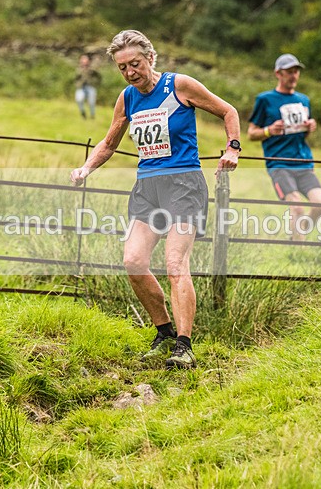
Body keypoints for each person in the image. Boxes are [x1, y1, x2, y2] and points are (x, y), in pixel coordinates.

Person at [70, 30, 241, 369]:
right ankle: (163, 333)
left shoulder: (179, 85)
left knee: (176, 263)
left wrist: (233, 148)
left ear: (150, 58)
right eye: (122, 68)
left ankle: (184, 345)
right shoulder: (127, 98)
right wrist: (85, 168)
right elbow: (108, 143)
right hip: (148, 187)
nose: (130, 72)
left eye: (135, 64)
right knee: (133, 262)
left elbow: (228, 111)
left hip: (184, 184)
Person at [247, 53, 321, 240]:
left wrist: (310, 127)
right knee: (296, 207)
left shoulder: (303, 100)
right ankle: (298, 250)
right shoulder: (265, 99)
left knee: (319, 205)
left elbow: (301, 132)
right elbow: (251, 133)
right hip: (279, 164)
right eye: (289, 71)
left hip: (303, 161)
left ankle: (298, 232)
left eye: (296, 71)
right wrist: (269, 130)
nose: (294, 75)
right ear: (278, 73)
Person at [74, 54, 101, 119]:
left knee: (91, 102)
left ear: (88, 61)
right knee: (79, 99)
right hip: (81, 88)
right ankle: (83, 113)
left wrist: (95, 83)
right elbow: (76, 79)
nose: (84, 61)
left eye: (85, 60)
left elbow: (98, 77)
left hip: (90, 87)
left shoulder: (92, 69)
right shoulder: (78, 69)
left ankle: (92, 115)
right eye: (82, 60)